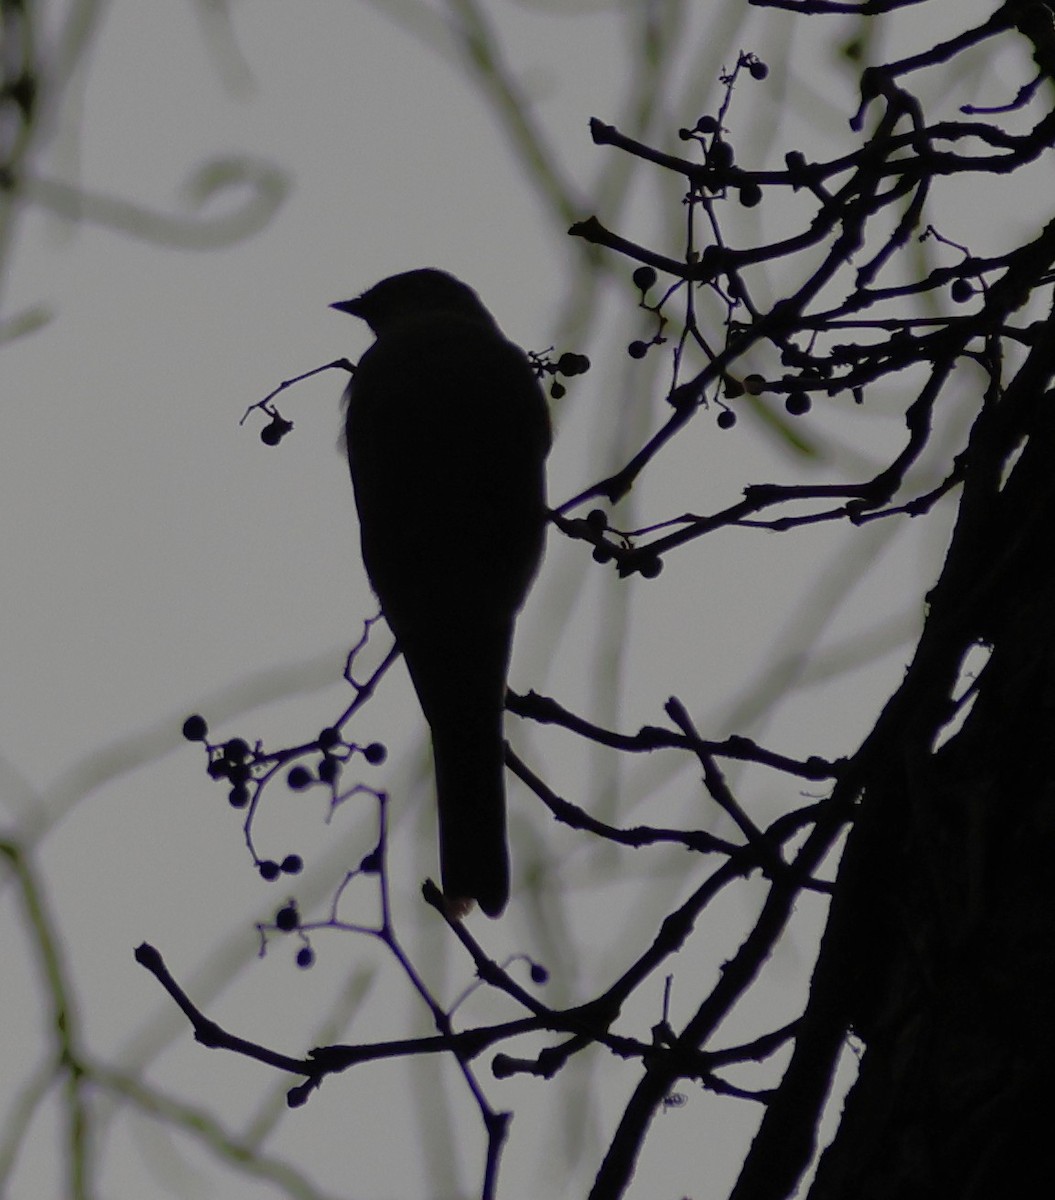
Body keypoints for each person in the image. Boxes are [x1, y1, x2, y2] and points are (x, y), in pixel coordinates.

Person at [333, 270, 551, 917]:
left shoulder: (387, 366)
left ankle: (472, 864)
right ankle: (477, 862)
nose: (371, 318)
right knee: (465, 722)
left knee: (459, 723)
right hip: (480, 574)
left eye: (385, 304)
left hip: (424, 579)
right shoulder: (499, 363)